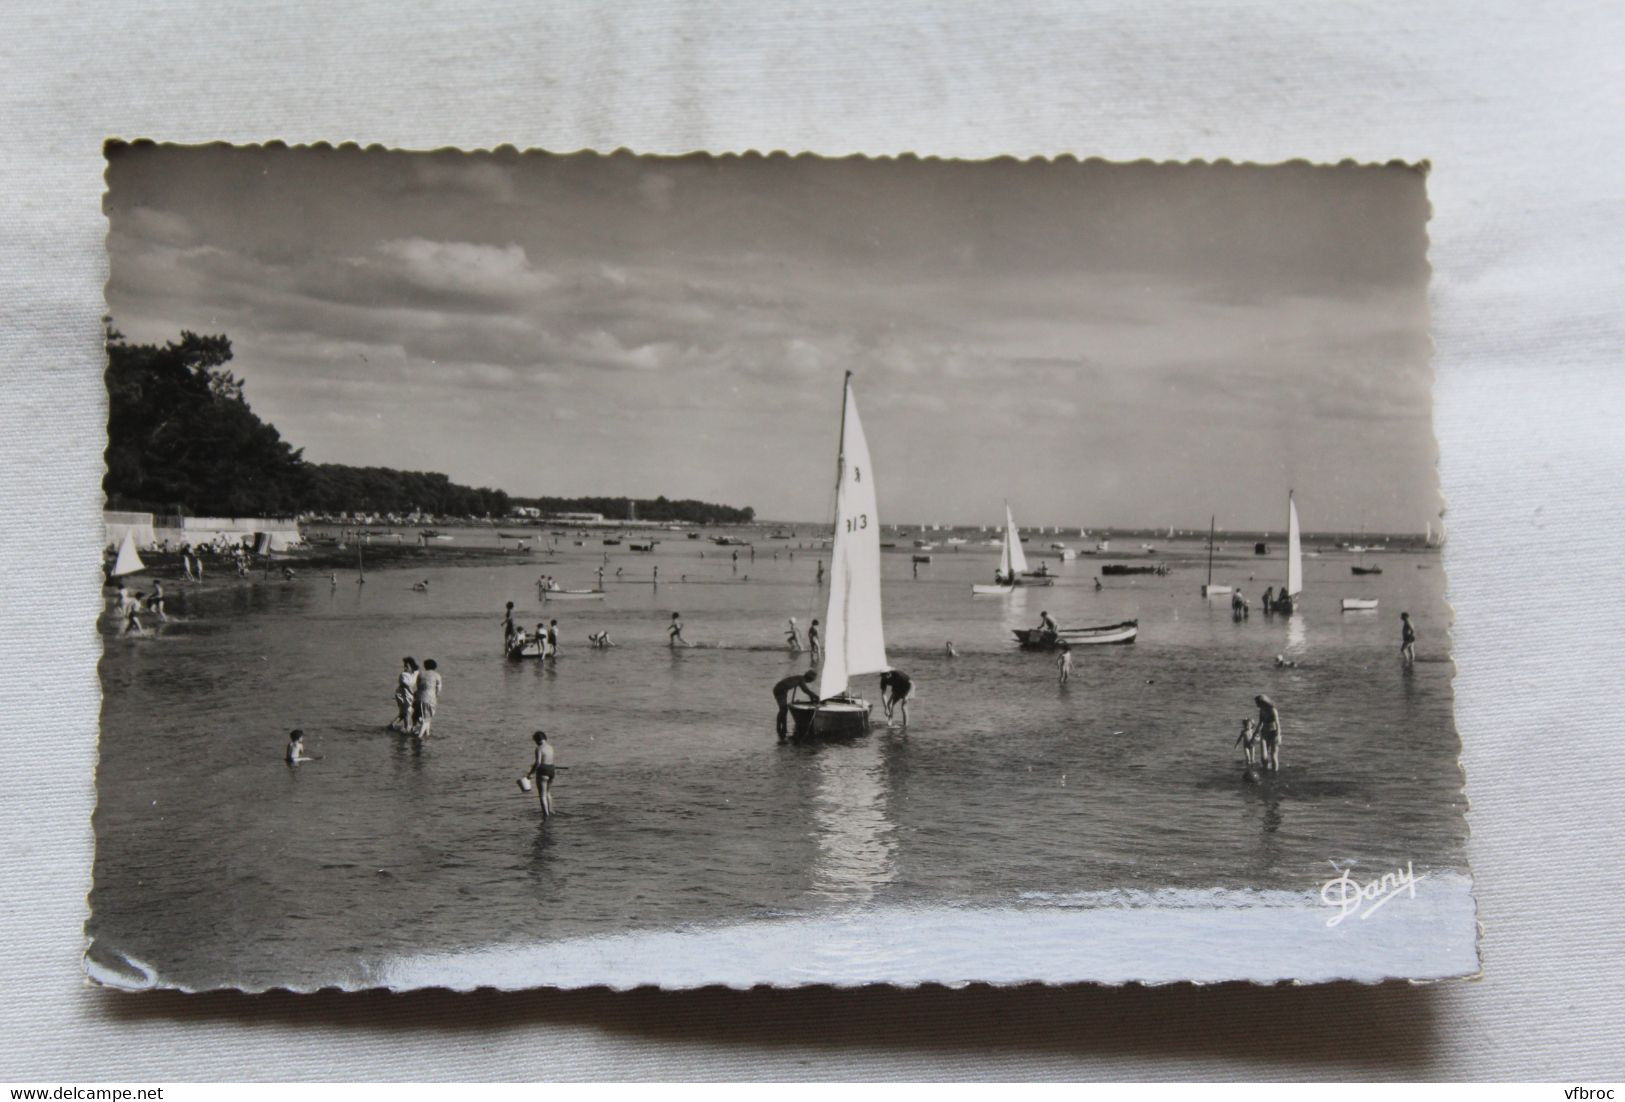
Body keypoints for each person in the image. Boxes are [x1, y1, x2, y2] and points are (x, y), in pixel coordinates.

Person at [773, 669, 819, 737]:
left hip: (780, 689)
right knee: (783, 710)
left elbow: (806, 690)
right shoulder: (801, 679)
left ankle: (782, 728)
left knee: (783, 710)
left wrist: (812, 697)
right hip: (780, 690)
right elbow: (805, 690)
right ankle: (781, 728)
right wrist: (816, 697)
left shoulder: (799, 678)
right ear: (809, 679)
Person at [524, 730, 556, 818]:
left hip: (543, 771)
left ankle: (546, 815)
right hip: (552, 770)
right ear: (545, 738)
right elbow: (547, 760)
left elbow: (538, 762)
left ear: (537, 740)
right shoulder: (551, 747)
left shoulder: (539, 748)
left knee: (542, 795)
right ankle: (551, 810)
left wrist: (531, 773)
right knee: (548, 793)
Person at [413, 659, 442, 738]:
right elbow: (438, 689)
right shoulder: (437, 675)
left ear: (425, 666)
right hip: (430, 699)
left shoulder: (421, 674)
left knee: (421, 717)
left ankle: (427, 733)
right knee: (427, 719)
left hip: (418, 698)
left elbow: (418, 685)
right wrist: (436, 696)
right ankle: (420, 736)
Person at [1254, 694, 1282, 772]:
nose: (1256, 705)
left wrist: (1278, 735)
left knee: (1273, 755)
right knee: (1263, 757)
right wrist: (1255, 733)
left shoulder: (1272, 710)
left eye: (1257, 703)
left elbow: (1277, 723)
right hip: (1264, 733)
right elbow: (1260, 723)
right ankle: (1265, 769)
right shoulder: (1261, 710)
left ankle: (1275, 772)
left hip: (1274, 733)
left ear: (1262, 702)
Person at [393, 658, 419, 731]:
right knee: (407, 712)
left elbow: (417, 676)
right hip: (401, 695)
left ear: (412, 667)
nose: (405, 668)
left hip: (408, 695)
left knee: (403, 713)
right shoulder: (403, 675)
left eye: (407, 666)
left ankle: (391, 726)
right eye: (404, 666)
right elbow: (408, 684)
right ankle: (407, 728)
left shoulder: (414, 674)